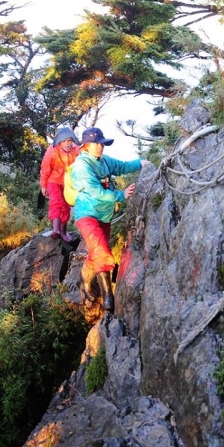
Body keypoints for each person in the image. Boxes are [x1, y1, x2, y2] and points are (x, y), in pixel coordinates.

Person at [72, 127, 151, 312]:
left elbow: (122, 166)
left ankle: (83, 281)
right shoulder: (81, 166)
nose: (101, 147)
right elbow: (94, 191)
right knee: (102, 253)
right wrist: (120, 195)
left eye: (102, 143)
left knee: (96, 252)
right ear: (86, 145)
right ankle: (109, 299)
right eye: (96, 144)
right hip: (87, 215)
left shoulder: (104, 161)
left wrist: (141, 163)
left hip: (104, 216)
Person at [40, 127, 80, 242]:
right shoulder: (52, 151)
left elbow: (84, 158)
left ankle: (63, 232)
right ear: (59, 142)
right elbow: (45, 168)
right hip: (53, 180)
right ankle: (56, 229)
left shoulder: (76, 150)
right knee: (56, 201)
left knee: (66, 205)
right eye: (64, 141)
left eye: (69, 140)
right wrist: (43, 185)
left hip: (67, 181)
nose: (67, 143)